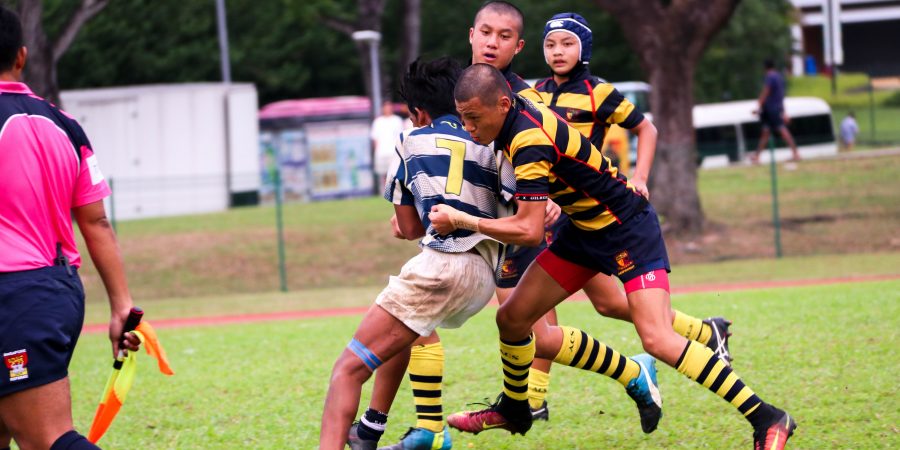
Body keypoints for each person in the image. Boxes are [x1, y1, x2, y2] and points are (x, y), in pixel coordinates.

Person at [430, 64, 797, 449]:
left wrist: (461, 219)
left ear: (503, 104)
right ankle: (515, 409)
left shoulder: (527, 140)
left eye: (473, 119)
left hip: (627, 228)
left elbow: (530, 230)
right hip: (583, 232)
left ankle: (768, 417)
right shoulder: (521, 105)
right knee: (512, 318)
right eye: (463, 119)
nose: (469, 128)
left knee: (656, 338)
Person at [320, 57, 520, 450]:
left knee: (346, 371)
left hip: (444, 262)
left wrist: (414, 221)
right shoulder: (490, 140)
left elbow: (410, 227)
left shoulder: (411, 140)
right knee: (406, 332)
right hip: (482, 276)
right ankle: (371, 429)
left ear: (419, 112)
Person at [0, 7, 141, 450]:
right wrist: (122, 306)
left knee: (47, 439)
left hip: (14, 296)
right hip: (56, 291)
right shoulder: (67, 125)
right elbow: (96, 221)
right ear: (21, 57)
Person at [751, 59, 800, 163]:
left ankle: (795, 153)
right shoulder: (779, 77)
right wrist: (784, 111)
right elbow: (781, 96)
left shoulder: (770, 77)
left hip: (771, 109)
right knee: (766, 132)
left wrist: (758, 106)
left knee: (782, 130)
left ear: (765, 68)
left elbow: (766, 91)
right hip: (775, 108)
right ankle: (757, 156)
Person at [371, 100, 405, 187]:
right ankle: (385, 191)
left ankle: (395, 191)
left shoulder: (397, 120)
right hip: (381, 152)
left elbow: (401, 137)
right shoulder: (378, 121)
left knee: (394, 173)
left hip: (394, 152)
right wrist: (376, 151)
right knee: (383, 174)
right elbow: (375, 138)